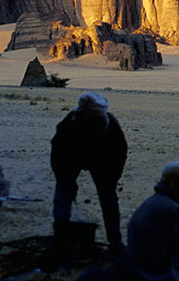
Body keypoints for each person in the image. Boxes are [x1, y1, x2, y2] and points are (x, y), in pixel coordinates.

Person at [51, 91, 127, 253]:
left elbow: (119, 154)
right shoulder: (68, 125)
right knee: (63, 196)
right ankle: (60, 238)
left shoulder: (110, 124)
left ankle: (115, 240)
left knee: (108, 198)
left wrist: (111, 180)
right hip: (72, 156)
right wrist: (65, 179)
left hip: (101, 158)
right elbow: (58, 155)